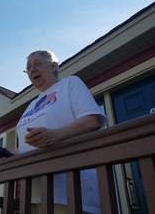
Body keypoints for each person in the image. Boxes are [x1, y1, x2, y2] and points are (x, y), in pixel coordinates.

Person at [16, 50, 106, 214]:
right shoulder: (30, 106)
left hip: (73, 193)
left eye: (37, 63)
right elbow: (27, 146)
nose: (32, 69)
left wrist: (55, 135)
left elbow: (92, 120)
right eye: (28, 68)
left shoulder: (70, 84)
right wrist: (9, 154)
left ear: (54, 66)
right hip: (35, 195)